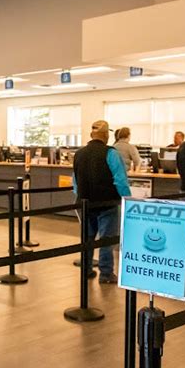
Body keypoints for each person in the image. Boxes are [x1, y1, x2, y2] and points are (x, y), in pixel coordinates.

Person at [73, 120, 131, 284]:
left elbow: (75, 181)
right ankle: (106, 274)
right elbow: (120, 180)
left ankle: (86, 270)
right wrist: (127, 199)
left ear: (92, 135)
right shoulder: (111, 153)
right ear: (105, 135)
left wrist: (81, 196)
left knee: (87, 239)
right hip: (107, 204)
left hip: (85, 203)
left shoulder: (79, 153)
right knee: (106, 240)